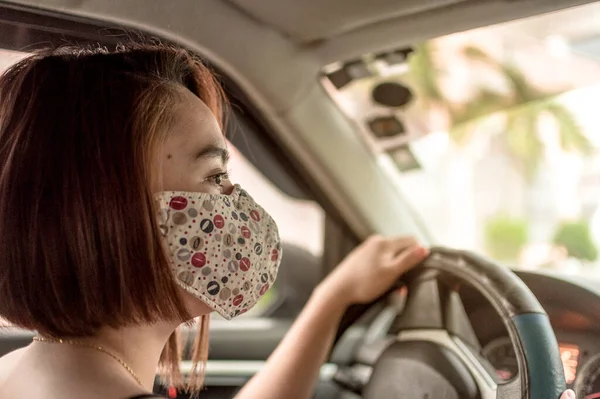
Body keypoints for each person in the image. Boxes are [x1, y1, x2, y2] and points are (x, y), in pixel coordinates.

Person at [0, 44, 575, 399]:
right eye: (215, 178)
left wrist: (332, 299)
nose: (238, 206)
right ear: (104, 209)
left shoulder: (24, 369)